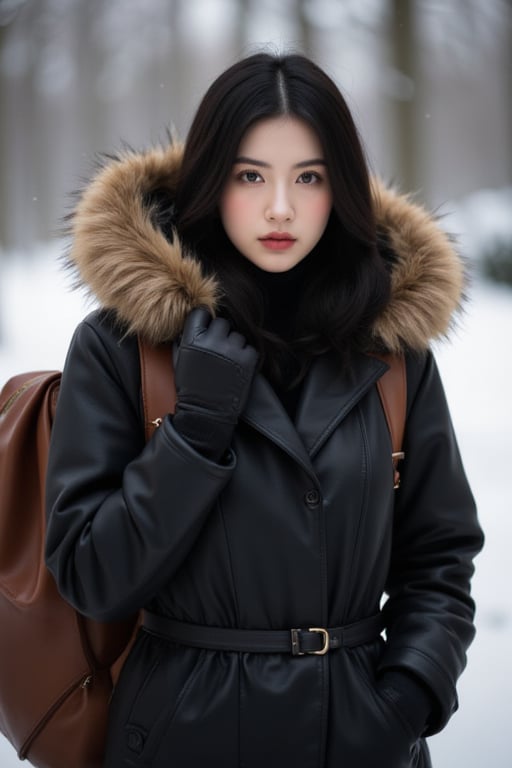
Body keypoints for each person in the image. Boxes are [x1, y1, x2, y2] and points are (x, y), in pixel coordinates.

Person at [45, 52, 483, 768]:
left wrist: (409, 693)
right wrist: (196, 432)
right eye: (251, 176)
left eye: (308, 177)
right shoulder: (124, 345)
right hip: (183, 731)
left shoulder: (393, 353)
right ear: (210, 180)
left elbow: (439, 557)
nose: (280, 208)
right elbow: (93, 577)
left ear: (340, 187)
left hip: (362, 732)